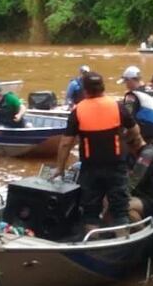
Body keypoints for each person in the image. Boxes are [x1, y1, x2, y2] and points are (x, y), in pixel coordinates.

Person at [54, 71, 139, 231]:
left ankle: (91, 242)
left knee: (90, 211)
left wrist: (60, 167)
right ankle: (122, 243)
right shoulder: (117, 106)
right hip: (116, 166)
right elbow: (135, 130)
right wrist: (125, 141)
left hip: (90, 168)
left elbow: (66, 143)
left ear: (85, 90)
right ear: (103, 88)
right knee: (120, 209)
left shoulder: (77, 111)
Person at [126, 126, 153, 223]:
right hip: (136, 198)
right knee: (126, 211)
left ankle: (142, 234)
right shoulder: (129, 155)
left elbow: (132, 182)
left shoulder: (148, 154)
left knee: (118, 205)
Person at [118, 66, 153, 143]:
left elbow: (126, 116)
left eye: (126, 82)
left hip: (145, 136)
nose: (126, 85)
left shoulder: (131, 95)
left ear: (131, 80)